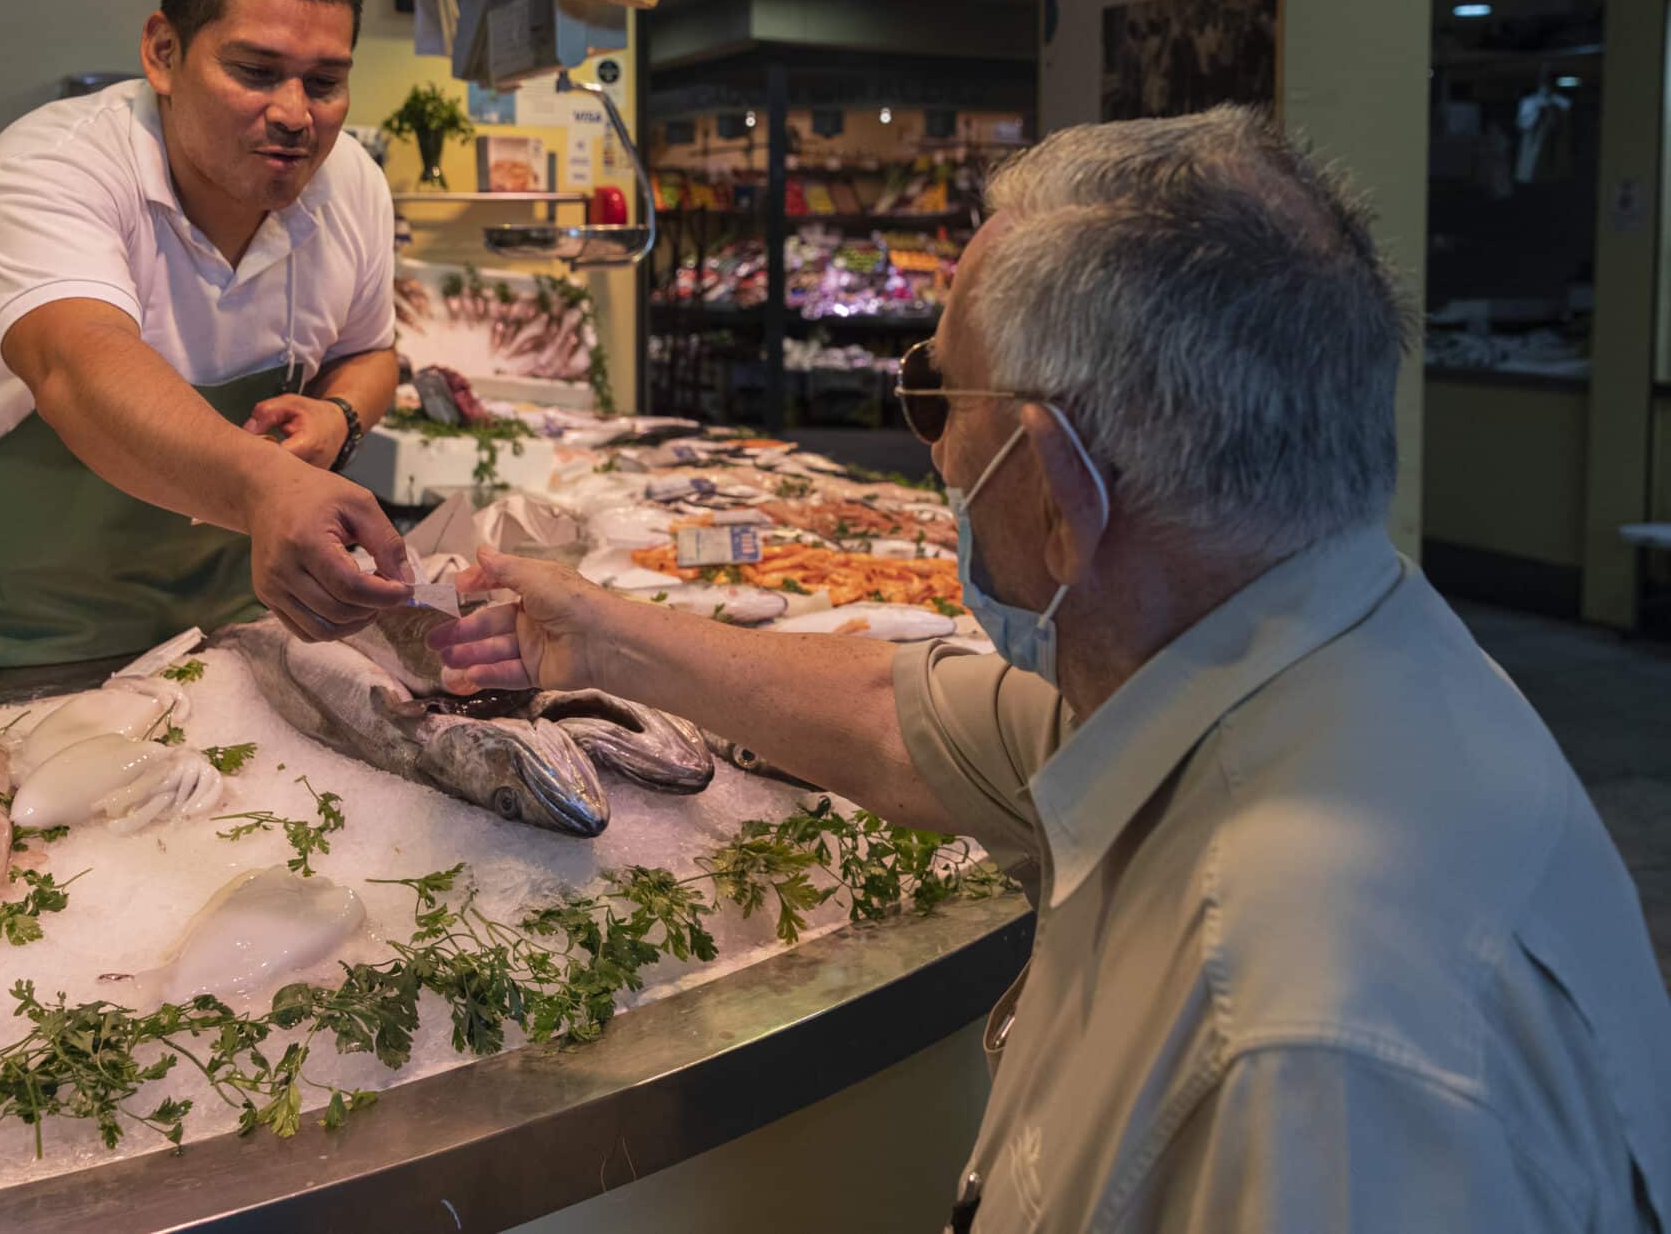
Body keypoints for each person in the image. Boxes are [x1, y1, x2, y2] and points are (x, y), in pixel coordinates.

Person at [428, 108, 1671, 1231]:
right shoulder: (1271, 669)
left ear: (1056, 491)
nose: (931, 457)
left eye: (932, 396)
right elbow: (897, 716)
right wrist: (597, 633)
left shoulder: (1305, 1042)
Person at [0, 0, 412, 671]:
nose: (294, 114)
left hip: (225, 654)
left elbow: (372, 351)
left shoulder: (350, 184)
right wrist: (267, 484)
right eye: (254, 71)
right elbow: (78, 366)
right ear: (163, 52)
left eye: (325, 82)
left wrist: (339, 415)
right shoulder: (49, 168)